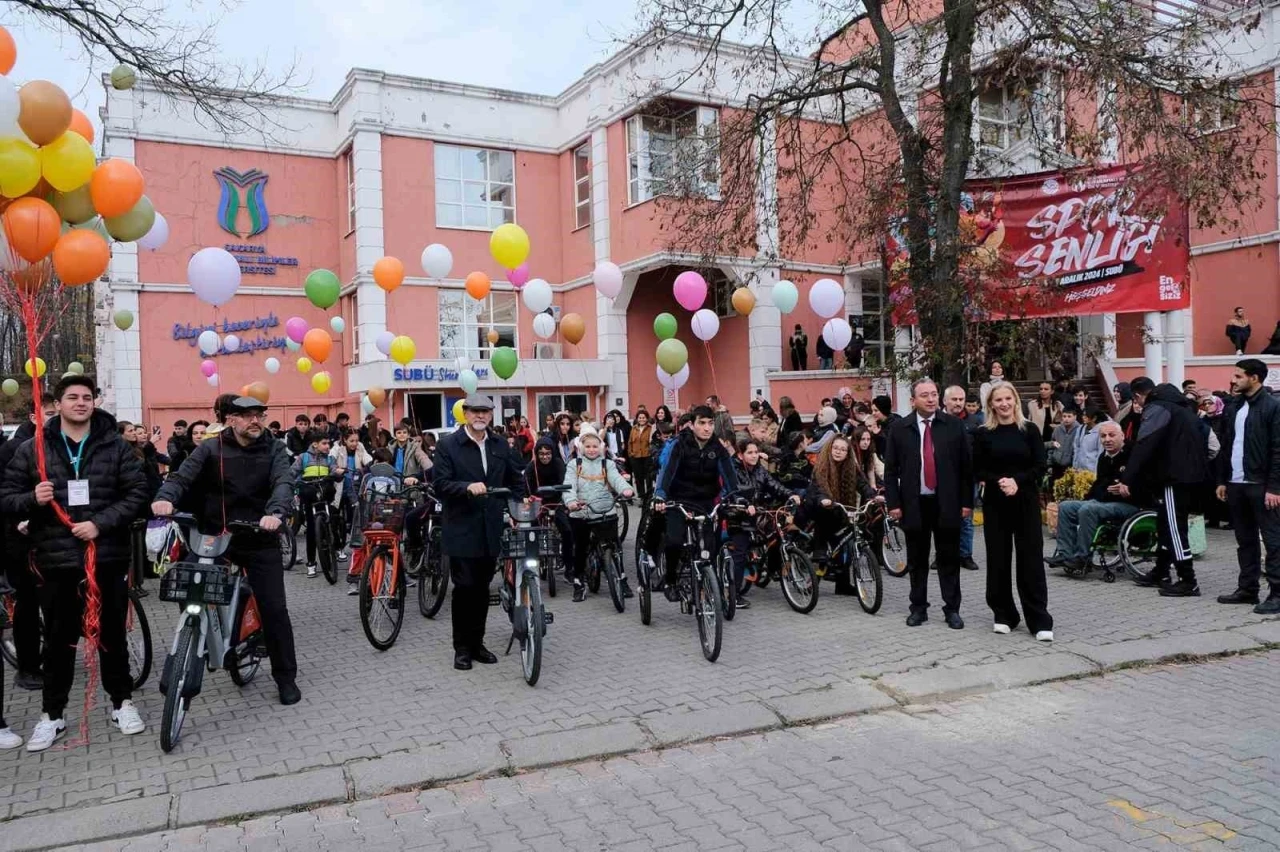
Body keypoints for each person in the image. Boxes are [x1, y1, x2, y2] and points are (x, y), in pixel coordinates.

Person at [0, 375, 150, 751]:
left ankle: (122, 703)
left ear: (94, 403)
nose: (81, 403)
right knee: (58, 642)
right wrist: (32, 498)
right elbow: (6, 497)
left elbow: (138, 493)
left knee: (112, 637)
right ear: (58, 404)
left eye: (87, 397)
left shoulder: (115, 446)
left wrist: (100, 523)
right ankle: (52, 715)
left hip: (107, 557)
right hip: (56, 561)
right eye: (72, 397)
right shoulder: (34, 448)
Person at [154, 396, 299, 705]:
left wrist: (275, 512)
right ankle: (199, 635)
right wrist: (165, 497)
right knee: (188, 586)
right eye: (247, 416)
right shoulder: (211, 448)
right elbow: (182, 476)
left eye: (259, 415)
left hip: (259, 535)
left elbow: (283, 482)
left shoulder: (274, 448)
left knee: (274, 609)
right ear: (231, 420)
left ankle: (285, 677)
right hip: (216, 536)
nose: (255, 421)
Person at [431, 395, 527, 671]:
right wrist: (466, 487)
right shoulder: (449, 445)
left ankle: (477, 643)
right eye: (475, 411)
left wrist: (518, 509)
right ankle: (462, 648)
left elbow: (515, 480)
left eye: (485, 411)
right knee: (465, 588)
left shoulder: (500, 444)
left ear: (491, 414)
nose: (480, 416)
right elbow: (440, 484)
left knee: (483, 588)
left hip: (490, 527)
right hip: (461, 527)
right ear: (466, 413)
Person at [883, 379, 973, 629]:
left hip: (947, 503)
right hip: (914, 504)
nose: (931, 399)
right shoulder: (900, 428)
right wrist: (894, 503)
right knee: (917, 559)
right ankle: (918, 608)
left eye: (934, 394)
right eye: (925, 395)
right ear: (913, 400)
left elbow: (966, 468)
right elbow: (890, 471)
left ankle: (952, 609)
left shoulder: (953, 426)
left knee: (949, 558)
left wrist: (966, 502)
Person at [972, 382, 1053, 641]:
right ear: (991, 404)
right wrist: (1000, 481)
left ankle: (1039, 619)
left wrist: (1017, 481)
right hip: (996, 503)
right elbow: (978, 468)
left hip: (1026, 501)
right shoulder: (983, 433)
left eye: (1008, 398)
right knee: (998, 559)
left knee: (1030, 559)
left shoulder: (1029, 430)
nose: (1004, 403)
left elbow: (1040, 465)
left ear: (1016, 401)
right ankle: (1004, 614)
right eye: (998, 400)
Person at [1120, 377, 1210, 597]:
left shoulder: (1157, 408)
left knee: (1175, 529)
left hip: (1173, 478)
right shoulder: (1184, 409)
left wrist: (1127, 478)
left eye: (1137, 401)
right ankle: (1161, 571)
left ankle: (1188, 580)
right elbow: (1210, 443)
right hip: (1189, 476)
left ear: (1138, 396)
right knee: (1165, 525)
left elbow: (1144, 443)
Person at [0, 398, 57, 691]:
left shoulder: (59, 446)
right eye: (49, 414)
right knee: (28, 602)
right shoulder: (14, 449)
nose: (54, 418)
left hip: (52, 537)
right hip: (19, 538)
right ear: (35, 417)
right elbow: (6, 495)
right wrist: (23, 515)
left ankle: (54, 655)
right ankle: (28, 668)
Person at [1216, 359, 1280, 613]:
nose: (1233, 380)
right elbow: (1226, 445)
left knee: (1273, 541)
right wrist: (1222, 480)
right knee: (1245, 539)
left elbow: (1278, 450)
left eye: (1238, 376)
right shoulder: (1234, 406)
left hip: (1262, 485)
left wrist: (1275, 487)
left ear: (1254, 378)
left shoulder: (1272, 406)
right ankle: (1247, 589)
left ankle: (1277, 593)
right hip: (1236, 483)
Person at [653, 405, 738, 592]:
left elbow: (729, 474)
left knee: (710, 545)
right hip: (679, 499)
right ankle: (670, 579)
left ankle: (708, 584)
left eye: (711, 423)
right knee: (674, 542)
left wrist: (736, 496)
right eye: (702, 423)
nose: (707, 428)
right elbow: (668, 471)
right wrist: (660, 494)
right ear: (692, 425)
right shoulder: (680, 444)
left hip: (705, 501)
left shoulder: (717, 447)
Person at [1048, 421, 1142, 573]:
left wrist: (1129, 487)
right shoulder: (1103, 458)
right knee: (1066, 506)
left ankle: (1082, 557)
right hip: (1105, 501)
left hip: (1130, 503)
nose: (1107, 439)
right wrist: (1089, 498)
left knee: (1088, 509)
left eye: (1111, 435)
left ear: (1122, 436)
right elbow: (1099, 485)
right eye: (1103, 436)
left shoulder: (1134, 454)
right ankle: (1065, 554)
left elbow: (1147, 480)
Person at [564, 424, 634, 602]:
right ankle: (579, 583)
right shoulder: (574, 464)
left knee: (615, 547)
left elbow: (616, 479)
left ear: (601, 447)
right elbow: (569, 485)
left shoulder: (607, 464)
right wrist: (571, 502)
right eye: (587, 446)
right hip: (581, 511)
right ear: (581, 448)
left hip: (605, 510)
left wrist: (626, 489)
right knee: (580, 549)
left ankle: (622, 579)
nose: (591, 449)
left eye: (595, 446)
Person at [805, 435, 877, 595]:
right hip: (820, 508)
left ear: (848, 453)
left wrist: (873, 496)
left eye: (843, 449)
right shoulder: (821, 467)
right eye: (836, 448)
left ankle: (842, 584)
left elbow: (863, 484)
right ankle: (812, 583)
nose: (838, 452)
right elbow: (818, 489)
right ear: (830, 449)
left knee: (847, 544)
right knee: (822, 550)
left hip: (841, 509)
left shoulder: (851, 467)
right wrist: (824, 499)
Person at [729, 437, 800, 601]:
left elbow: (774, 485)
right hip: (738, 515)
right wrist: (744, 504)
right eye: (750, 453)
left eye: (756, 452)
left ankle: (773, 567)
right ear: (740, 455)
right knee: (740, 553)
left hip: (758, 513)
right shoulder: (732, 470)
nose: (754, 456)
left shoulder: (759, 470)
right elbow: (732, 492)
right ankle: (734, 594)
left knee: (782, 531)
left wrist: (790, 495)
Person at [944, 385, 983, 572]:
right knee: (942, 518)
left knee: (966, 519)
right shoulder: (936, 421)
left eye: (961, 399)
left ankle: (965, 555)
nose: (958, 403)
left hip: (968, 478)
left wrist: (981, 475)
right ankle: (943, 554)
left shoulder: (974, 422)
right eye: (954, 399)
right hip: (943, 479)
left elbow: (980, 451)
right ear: (945, 401)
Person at [292, 429, 340, 578]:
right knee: (312, 530)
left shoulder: (330, 459)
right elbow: (292, 472)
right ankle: (311, 563)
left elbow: (335, 471)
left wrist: (337, 473)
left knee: (332, 520)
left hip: (325, 493)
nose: (327, 446)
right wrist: (292, 482)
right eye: (324, 443)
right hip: (309, 494)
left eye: (328, 443)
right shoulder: (303, 457)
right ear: (315, 444)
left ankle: (335, 548)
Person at [331, 428, 372, 560]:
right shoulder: (336, 449)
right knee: (336, 520)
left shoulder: (360, 447)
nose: (354, 443)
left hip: (354, 488)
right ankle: (339, 547)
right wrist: (336, 470)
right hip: (338, 488)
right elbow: (331, 462)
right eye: (351, 441)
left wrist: (367, 467)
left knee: (356, 518)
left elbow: (368, 460)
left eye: (356, 441)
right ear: (344, 440)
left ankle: (358, 547)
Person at [1048, 406, 1082, 484]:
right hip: (1056, 465)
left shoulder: (1079, 430)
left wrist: (1076, 466)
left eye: (1069, 416)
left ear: (1075, 417)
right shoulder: (1057, 429)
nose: (1066, 419)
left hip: (1070, 466)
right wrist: (1049, 464)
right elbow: (1052, 447)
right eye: (1064, 416)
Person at [628, 409, 655, 504]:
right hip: (636, 456)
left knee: (648, 478)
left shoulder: (650, 428)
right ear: (637, 419)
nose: (641, 419)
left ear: (647, 418)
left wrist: (651, 453)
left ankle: (649, 497)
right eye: (640, 418)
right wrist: (631, 453)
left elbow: (652, 442)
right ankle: (642, 497)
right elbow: (630, 442)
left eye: (643, 417)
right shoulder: (634, 428)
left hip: (647, 456)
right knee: (638, 478)